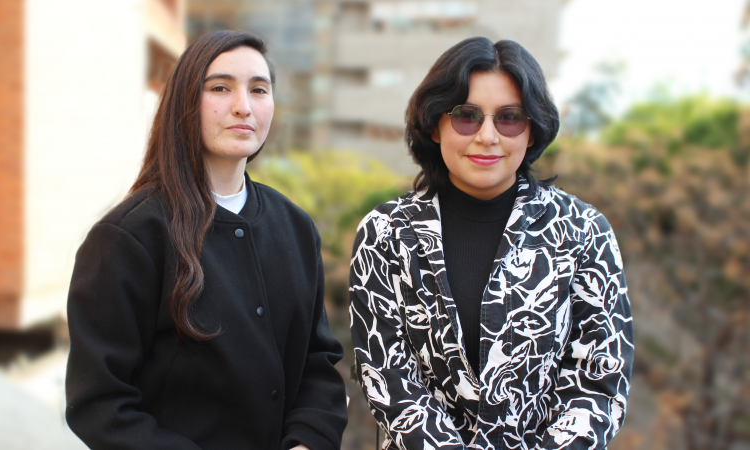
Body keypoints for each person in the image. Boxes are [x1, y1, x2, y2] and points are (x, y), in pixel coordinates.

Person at [65, 30, 348, 450]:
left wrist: (307, 441)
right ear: (184, 101)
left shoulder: (295, 227)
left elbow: (318, 364)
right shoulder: (127, 238)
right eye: (220, 88)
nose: (243, 106)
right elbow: (101, 404)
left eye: (259, 89)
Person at [349, 37, 633, 450]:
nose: (487, 136)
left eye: (509, 118)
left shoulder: (583, 231)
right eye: (466, 116)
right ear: (434, 124)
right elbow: (386, 373)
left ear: (532, 130)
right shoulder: (386, 232)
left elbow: (601, 377)